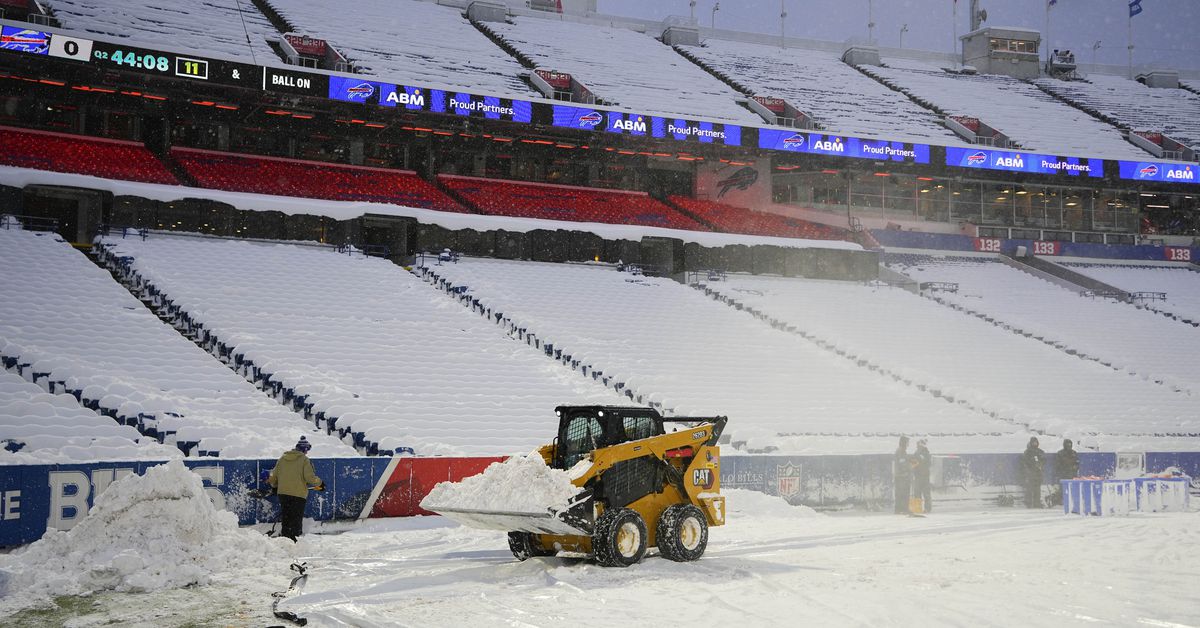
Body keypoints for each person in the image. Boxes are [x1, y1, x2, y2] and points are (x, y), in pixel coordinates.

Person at [268, 436, 323, 541]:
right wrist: (319, 482)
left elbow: (273, 477)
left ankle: (285, 538)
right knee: (296, 519)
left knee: (286, 517)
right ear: (305, 449)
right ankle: (295, 540)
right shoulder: (304, 460)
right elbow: (309, 478)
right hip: (298, 494)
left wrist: (275, 486)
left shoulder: (282, 459)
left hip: (283, 494)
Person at [1051, 439, 1080, 506]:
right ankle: (1061, 501)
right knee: (1063, 489)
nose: (1069, 446)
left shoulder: (1074, 453)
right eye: (1067, 444)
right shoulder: (1060, 453)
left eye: (1070, 444)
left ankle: (1071, 500)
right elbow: (1057, 465)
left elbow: (1077, 463)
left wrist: (1075, 467)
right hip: (1063, 474)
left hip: (1072, 474)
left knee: (1072, 488)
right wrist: (1060, 471)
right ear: (1064, 445)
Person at [1018, 437, 1045, 509]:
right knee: (1029, 489)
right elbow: (1024, 463)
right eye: (1033, 442)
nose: (1035, 444)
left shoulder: (1040, 451)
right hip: (1030, 473)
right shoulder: (1027, 452)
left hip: (1038, 473)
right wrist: (1029, 469)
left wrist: (1040, 465)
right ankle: (1029, 503)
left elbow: (1043, 461)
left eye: (1036, 442)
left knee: (1037, 490)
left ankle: (1037, 503)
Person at [912, 439, 932, 513]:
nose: (917, 446)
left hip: (924, 476)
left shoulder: (926, 453)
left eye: (919, 445)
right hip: (918, 476)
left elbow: (928, 464)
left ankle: (927, 508)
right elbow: (913, 464)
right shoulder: (916, 453)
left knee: (926, 493)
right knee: (917, 493)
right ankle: (917, 508)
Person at [893, 436, 912, 514]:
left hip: (900, 475)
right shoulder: (901, 451)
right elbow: (902, 462)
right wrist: (908, 470)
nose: (908, 444)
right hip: (902, 476)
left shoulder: (902, 450)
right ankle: (903, 509)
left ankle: (899, 509)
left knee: (900, 493)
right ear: (904, 442)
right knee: (903, 493)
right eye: (907, 442)